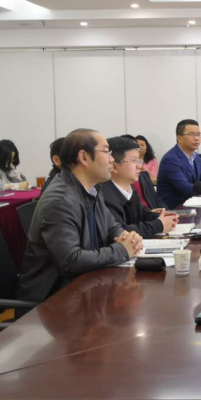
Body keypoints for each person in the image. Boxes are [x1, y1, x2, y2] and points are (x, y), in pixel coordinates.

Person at [16, 129, 144, 303]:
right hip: (53, 300)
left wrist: (128, 238)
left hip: (85, 288)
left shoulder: (93, 189)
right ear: (84, 157)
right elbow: (71, 260)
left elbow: (112, 227)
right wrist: (122, 250)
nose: (112, 159)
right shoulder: (60, 201)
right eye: (106, 152)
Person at [98, 136, 178, 239]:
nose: (139, 166)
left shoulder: (130, 189)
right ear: (114, 166)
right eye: (134, 160)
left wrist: (162, 217)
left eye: (139, 161)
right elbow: (120, 231)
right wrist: (159, 224)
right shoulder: (103, 195)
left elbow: (141, 213)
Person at [156, 119, 201, 209]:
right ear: (179, 138)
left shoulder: (195, 156)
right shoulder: (170, 159)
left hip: (192, 206)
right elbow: (186, 188)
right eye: (192, 134)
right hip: (173, 210)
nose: (197, 138)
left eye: (198, 134)